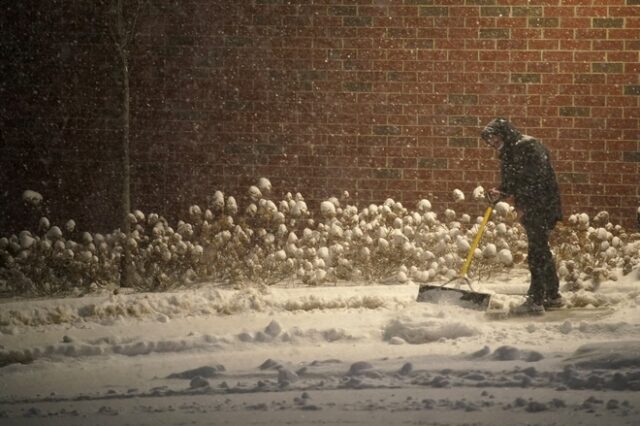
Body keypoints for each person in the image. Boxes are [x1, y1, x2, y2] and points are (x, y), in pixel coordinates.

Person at [481, 118, 563, 315]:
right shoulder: (509, 152)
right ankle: (552, 295)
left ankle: (536, 299)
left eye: (493, 137)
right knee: (540, 248)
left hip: (543, 206)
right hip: (530, 206)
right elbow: (513, 182)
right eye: (489, 141)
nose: (492, 143)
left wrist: (527, 203)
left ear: (504, 133)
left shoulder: (530, 147)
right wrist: (500, 191)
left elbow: (536, 180)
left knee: (537, 251)